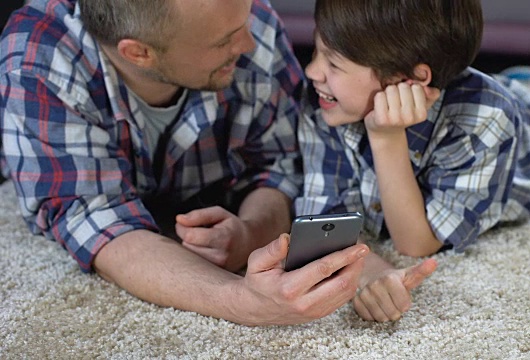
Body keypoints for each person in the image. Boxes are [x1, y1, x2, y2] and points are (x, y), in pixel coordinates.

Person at [0, 0, 371, 326]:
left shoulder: (245, 19)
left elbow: (281, 162)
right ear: (139, 53)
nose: (250, 43)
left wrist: (250, 231)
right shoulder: (36, 65)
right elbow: (98, 222)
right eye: (224, 41)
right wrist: (242, 301)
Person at [296, 0, 530, 322]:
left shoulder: (486, 118)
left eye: (334, 63)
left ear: (407, 82)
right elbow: (325, 221)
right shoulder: (325, 102)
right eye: (315, 51)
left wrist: (386, 138)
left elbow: (416, 243)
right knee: (511, 86)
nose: (312, 71)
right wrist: (371, 271)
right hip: (486, 93)